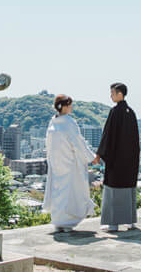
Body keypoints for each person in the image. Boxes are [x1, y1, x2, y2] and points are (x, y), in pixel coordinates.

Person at [43, 94, 96, 232]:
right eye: (70, 104)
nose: (71, 107)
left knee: (58, 191)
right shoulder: (69, 122)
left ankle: (58, 221)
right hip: (69, 161)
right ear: (65, 106)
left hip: (57, 162)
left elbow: (48, 143)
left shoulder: (53, 122)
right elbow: (78, 142)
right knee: (71, 191)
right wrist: (91, 157)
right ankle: (67, 222)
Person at [93, 82, 140, 232]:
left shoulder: (115, 112)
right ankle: (130, 221)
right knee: (129, 189)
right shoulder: (131, 112)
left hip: (116, 159)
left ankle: (113, 224)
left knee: (114, 189)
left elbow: (107, 135)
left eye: (112, 93)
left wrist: (99, 154)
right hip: (130, 160)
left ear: (120, 94)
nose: (111, 96)